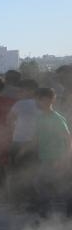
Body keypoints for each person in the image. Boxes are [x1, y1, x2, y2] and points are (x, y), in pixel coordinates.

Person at [34, 87, 71, 215]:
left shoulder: (57, 118)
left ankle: (49, 212)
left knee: (48, 183)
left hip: (57, 158)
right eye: (38, 99)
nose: (38, 102)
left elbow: (68, 138)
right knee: (47, 183)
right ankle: (51, 211)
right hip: (46, 157)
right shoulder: (40, 118)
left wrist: (65, 158)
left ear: (50, 100)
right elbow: (37, 138)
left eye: (41, 99)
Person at [7, 79, 40, 206]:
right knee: (32, 173)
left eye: (22, 90)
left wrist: (14, 130)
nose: (19, 92)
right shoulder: (41, 104)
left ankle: (18, 204)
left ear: (30, 91)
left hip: (19, 142)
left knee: (16, 173)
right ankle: (34, 203)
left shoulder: (20, 104)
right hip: (35, 144)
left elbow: (9, 120)